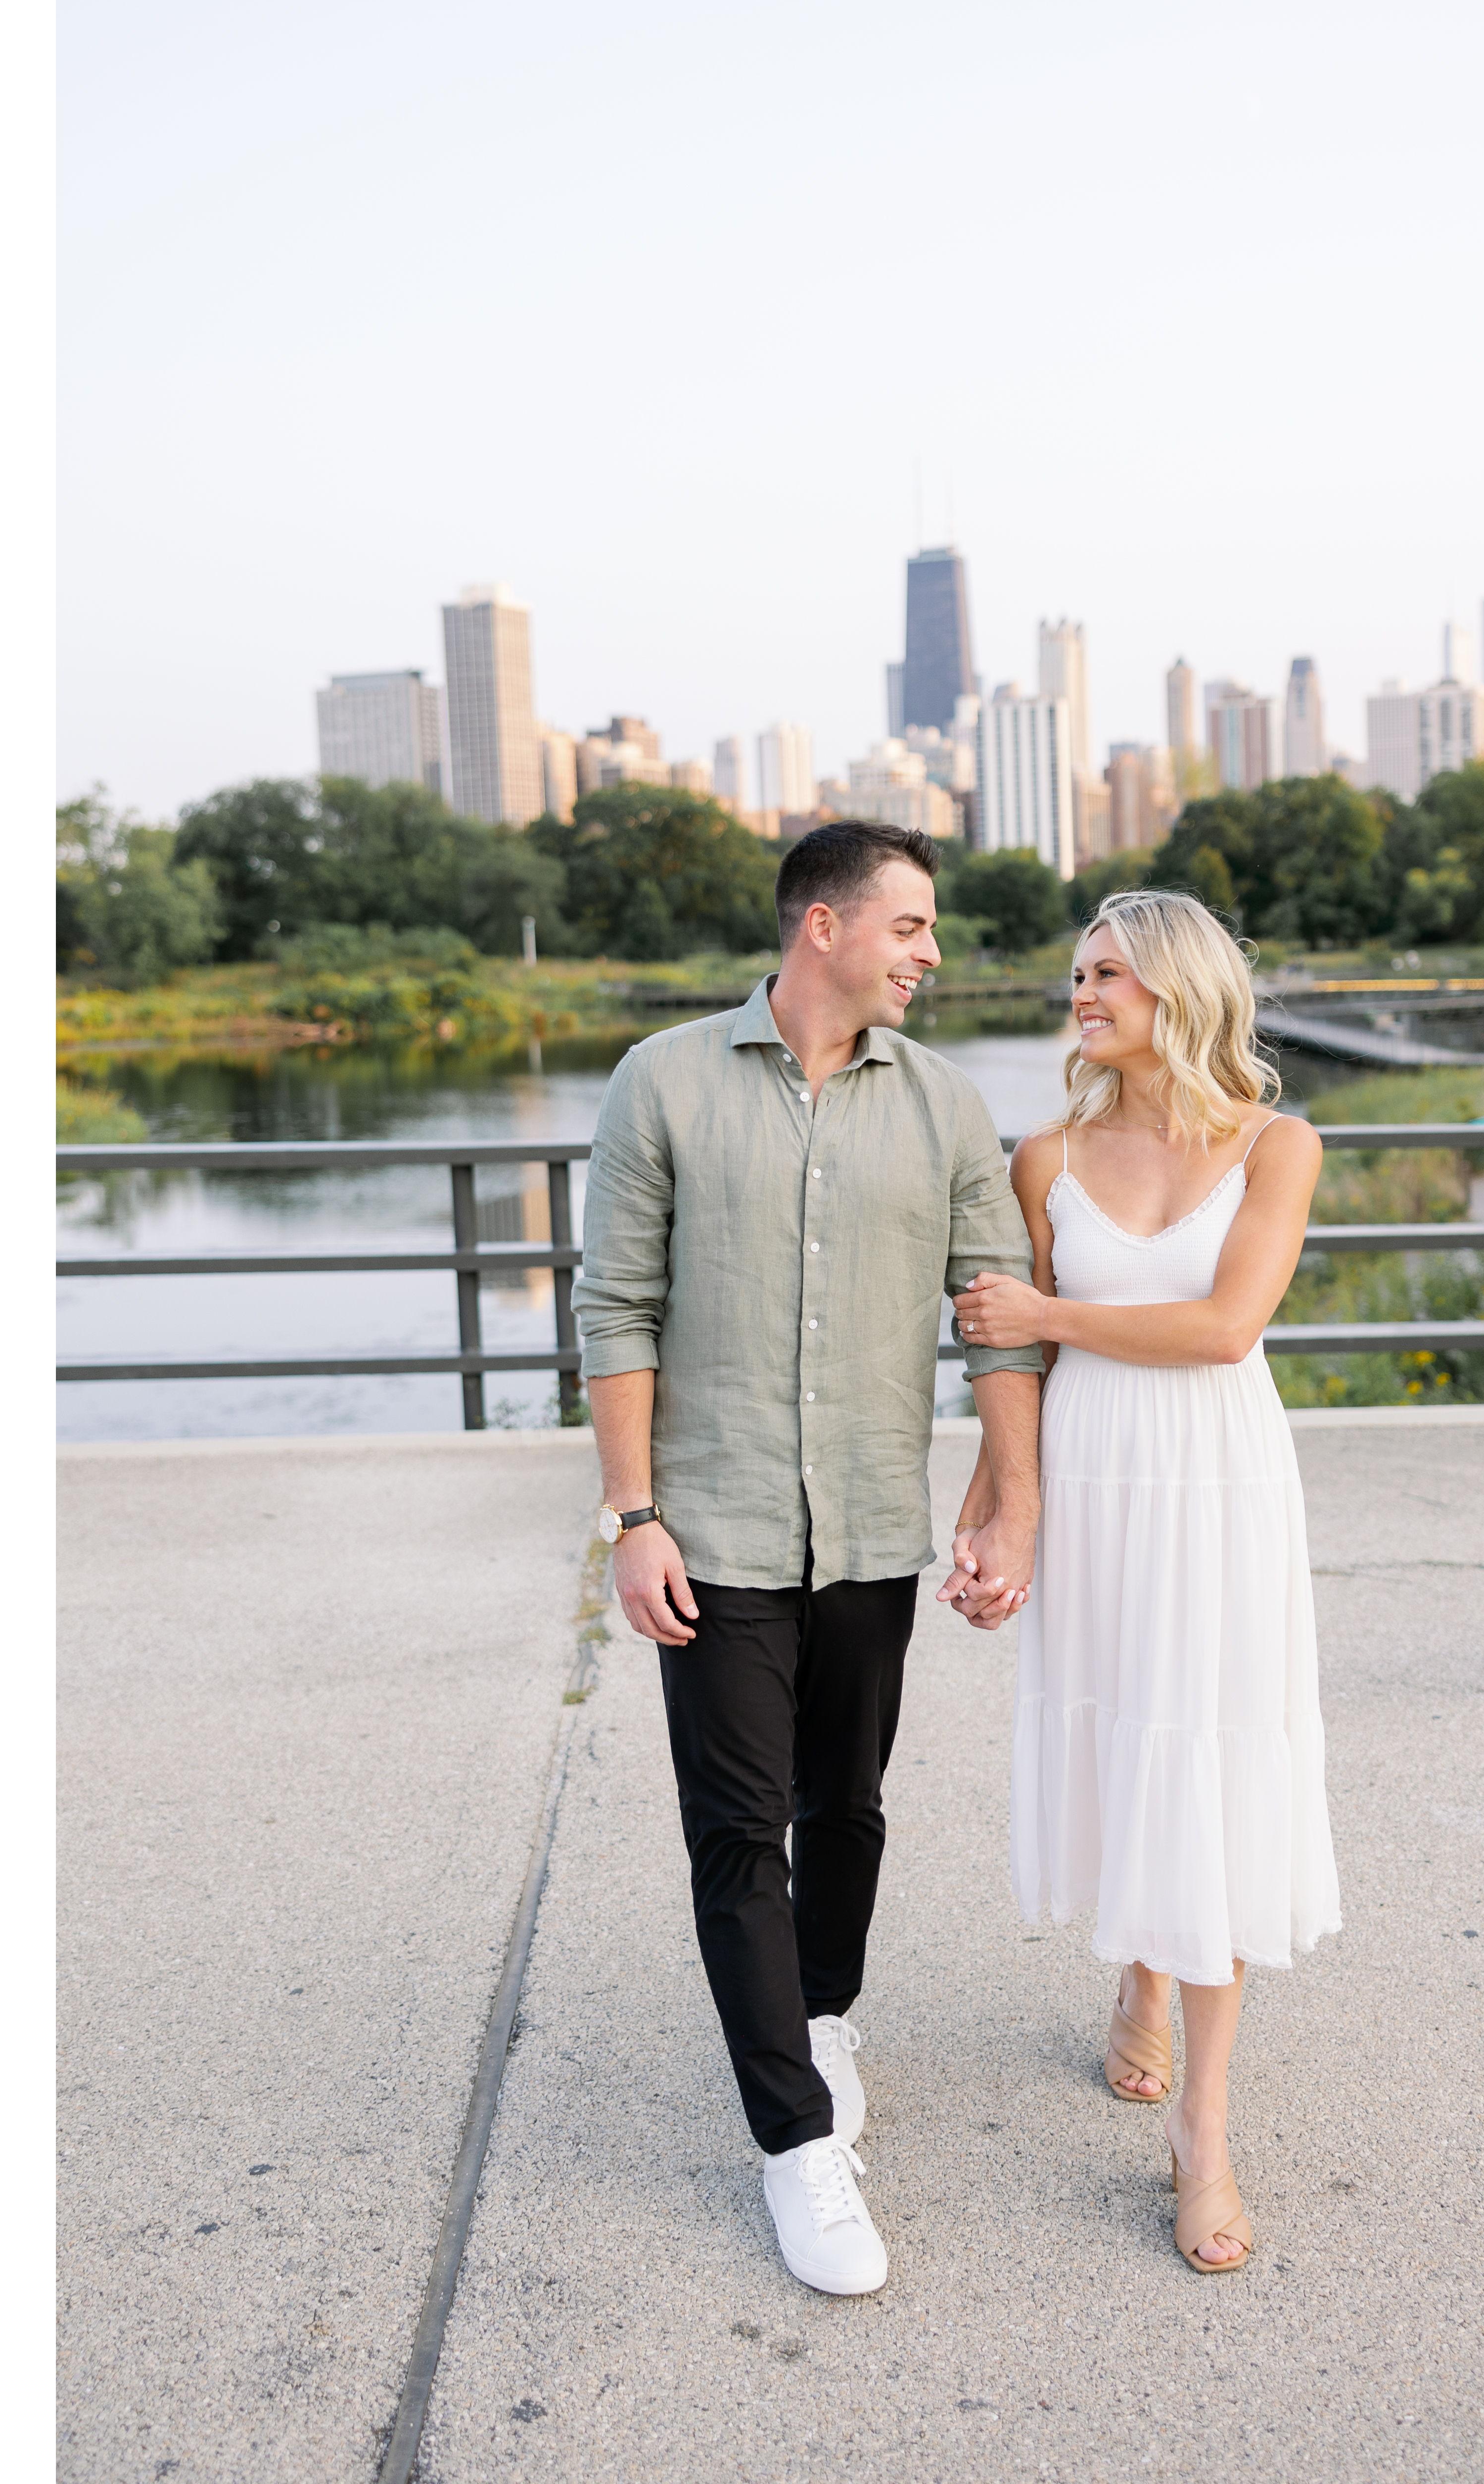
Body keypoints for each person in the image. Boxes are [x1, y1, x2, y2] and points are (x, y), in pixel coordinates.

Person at [574, 819, 1045, 2297]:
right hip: (711, 1533)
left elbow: (996, 1316)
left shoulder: (947, 1104)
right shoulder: (661, 1081)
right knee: (737, 1833)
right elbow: (616, 1311)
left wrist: (1011, 1504)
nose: (932, 953)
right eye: (911, 926)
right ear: (824, 927)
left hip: (870, 1528)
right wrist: (633, 1517)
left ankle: (824, 2017)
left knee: (845, 1807)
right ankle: (795, 2144)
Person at [951, 888, 1341, 2274]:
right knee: (1130, 1734)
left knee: (1211, 1759)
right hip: (1097, 1476)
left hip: (1220, 1484)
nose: (1082, 992)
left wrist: (1045, 1307)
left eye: (1108, 973)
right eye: (1078, 972)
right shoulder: (1044, 1159)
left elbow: (1228, 1327)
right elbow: (1021, 1364)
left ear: (1179, 987)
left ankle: (1204, 2132)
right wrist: (992, 1512)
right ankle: (1140, 1975)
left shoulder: (1278, 1145)